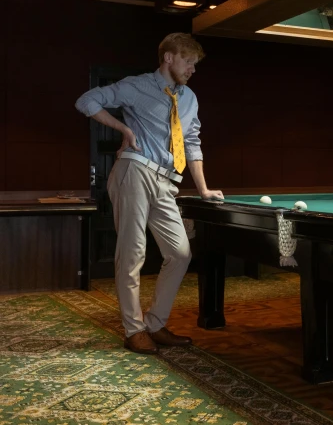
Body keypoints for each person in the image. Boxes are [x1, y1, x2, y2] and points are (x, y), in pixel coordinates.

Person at [75, 33, 223, 354]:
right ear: (168, 57)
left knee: (181, 253)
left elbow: (192, 143)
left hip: (166, 180)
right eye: (188, 61)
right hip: (135, 170)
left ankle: (154, 324)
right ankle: (133, 329)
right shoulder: (137, 86)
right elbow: (86, 101)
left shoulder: (189, 99)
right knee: (132, 254)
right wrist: (123, 129)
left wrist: (204, 189)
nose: (192, 69)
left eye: (195, 64)